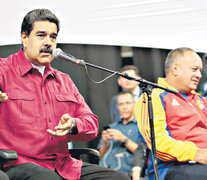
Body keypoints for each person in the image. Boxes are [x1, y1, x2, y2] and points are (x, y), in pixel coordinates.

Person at [0, 8, 131, 180]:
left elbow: (92, 124)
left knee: (120, 179)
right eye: (41, 35)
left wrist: (73, 125)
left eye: (53, 37)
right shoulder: (3, 70)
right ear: (24, 37)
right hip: (19, 163)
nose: (48, 42)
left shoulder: (64, 81)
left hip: (64, 165)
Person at [134, 47, 207, 180]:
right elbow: (158, 143)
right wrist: (196, 153)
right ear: (175, 69)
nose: (199, 75)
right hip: (174, 168)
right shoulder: (153, 97)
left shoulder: (201, 100)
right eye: (194, 69)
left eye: (200, 71)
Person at [98, 91, 144, 180]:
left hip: (124, 173)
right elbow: (100, 155)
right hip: (103, 171)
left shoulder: (141, 127)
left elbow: (143, 154)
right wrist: (105, 141)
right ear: (117, 107)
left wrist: (123, 139)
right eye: (121, 104)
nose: (124, 107)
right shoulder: (112, 127)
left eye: (127, 103)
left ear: (134, 104)